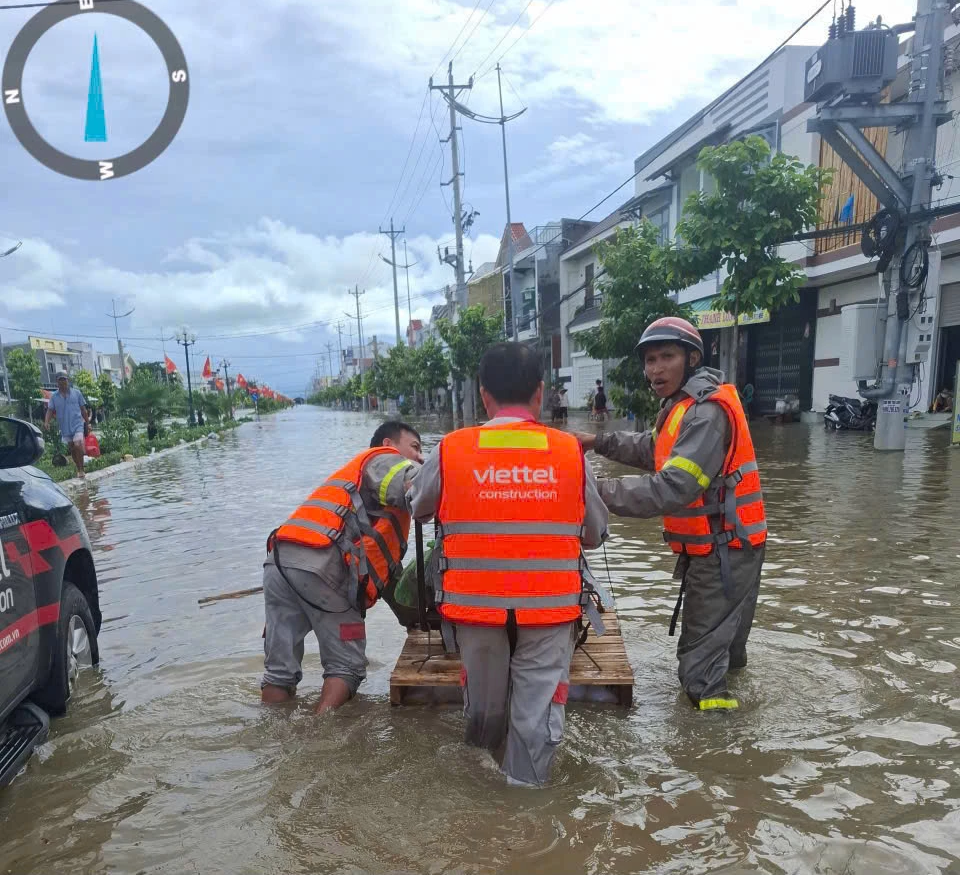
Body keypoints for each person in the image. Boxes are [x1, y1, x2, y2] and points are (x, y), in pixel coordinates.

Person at [409, 342, 609, 787]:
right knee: (536, 721)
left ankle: (481, 801)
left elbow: (419, 508)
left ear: (484, 395)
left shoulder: (453, 448)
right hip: (549, 612)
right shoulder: (568, 452)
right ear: (540, 394)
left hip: (474, 611)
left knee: (484, 714)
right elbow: (594, 533)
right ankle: (524, 813)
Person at [575, 317, 766, 712]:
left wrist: (591, 490)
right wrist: (598, 442)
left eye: (666, 357)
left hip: (723, 554)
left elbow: (673, 487)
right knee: (726, 656)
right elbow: (654, 448)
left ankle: (715, 752)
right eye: (649, 360)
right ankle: (737, 730)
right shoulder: (685, 406)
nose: (655, 369)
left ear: (692, 358)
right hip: (731, 547)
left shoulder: (705, 412)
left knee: (699, 673)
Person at [261, 420, 424, 713]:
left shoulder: (356, 489)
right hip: (327, 569)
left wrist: (415, 619)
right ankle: (322, 740)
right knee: (346, 667)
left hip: (280, 563)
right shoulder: (385, 460)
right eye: (415, 447)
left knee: (279, 672)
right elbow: (419, 486)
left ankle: (273, 735)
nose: (420, 457)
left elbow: (388, 580)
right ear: (389, 445)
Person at [44, 371, 89, 479]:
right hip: (65, 426)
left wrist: (87, 423)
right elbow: (50, 410)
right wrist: (46, 422)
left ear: (67, 381)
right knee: (72, 448)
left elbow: (83, 409)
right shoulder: (54, 396)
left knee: (77, 444)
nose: (63, 382)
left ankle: (82, 469)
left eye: (64, 379)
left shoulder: (77, 393)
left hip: (77, 423)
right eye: (60, 380)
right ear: (57, 382)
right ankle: (78, 468)